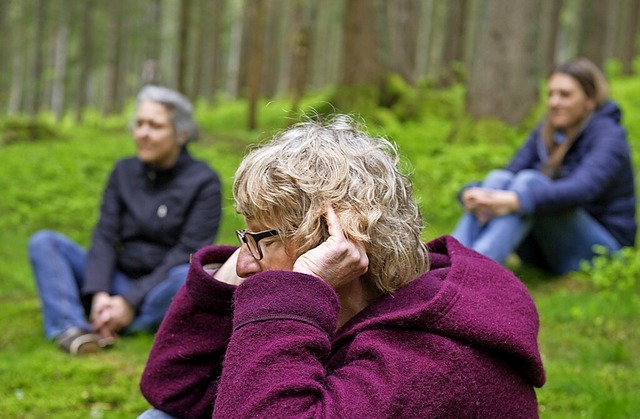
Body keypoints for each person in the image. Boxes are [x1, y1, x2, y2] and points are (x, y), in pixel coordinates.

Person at [138, 115, 545, 418]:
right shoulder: (361, 304)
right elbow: (175, 387)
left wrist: (295, 293)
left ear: (340, 241)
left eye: (265, 239)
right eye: (244, 234)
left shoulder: (430, 361)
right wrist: (259, 240)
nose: (242, 264)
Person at [28, 85, 222, 355]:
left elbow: (185, 252)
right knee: (45, 242)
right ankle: (72, 328)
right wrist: (99, 292)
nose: (143, 133)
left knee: (186, 277)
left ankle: (125, 322)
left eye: (155, 126)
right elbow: (105, 236)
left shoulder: (204, 182)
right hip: (117, 279)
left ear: (182, 133)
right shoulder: (124, 171)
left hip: (161, 288)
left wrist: (130, 301)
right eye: (139, 124)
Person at [452, 58, 637, 275]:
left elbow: (581, 190)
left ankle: (472, 273)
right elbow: (510, 173)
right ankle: (450, 262)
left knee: (529, 182)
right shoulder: (547, 130)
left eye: (565, 95)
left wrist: (519, 201)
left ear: (590, 100)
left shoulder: (608, 136)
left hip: (601, 250)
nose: (554, 102)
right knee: (497, 178)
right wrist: (472, 193)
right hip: (550, 248)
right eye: (551, 94)